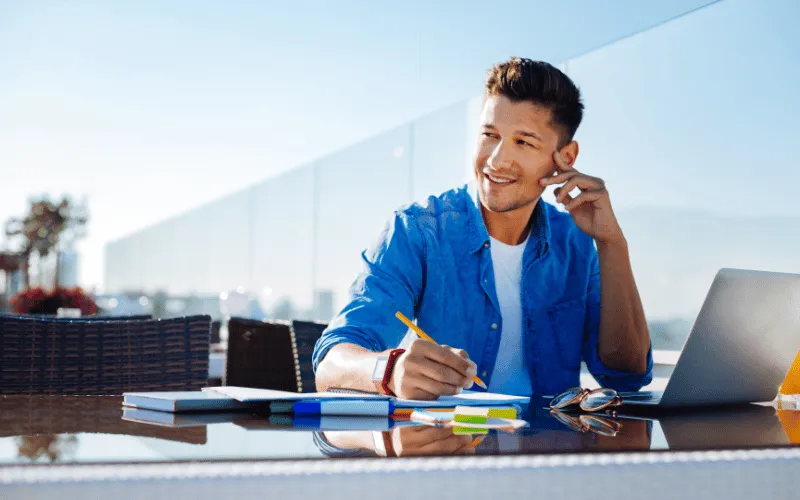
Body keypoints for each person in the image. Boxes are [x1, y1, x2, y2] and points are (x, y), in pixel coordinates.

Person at [313, 57, 653, 399]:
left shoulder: (576, 243)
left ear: (565, 156)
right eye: (490, 135)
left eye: (523, 142)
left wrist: (612, 244)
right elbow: (330, 366)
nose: (495, 160)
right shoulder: (418, 231)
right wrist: (390, 370)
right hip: (452, 446)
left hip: (550, 449)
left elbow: (627, 375)